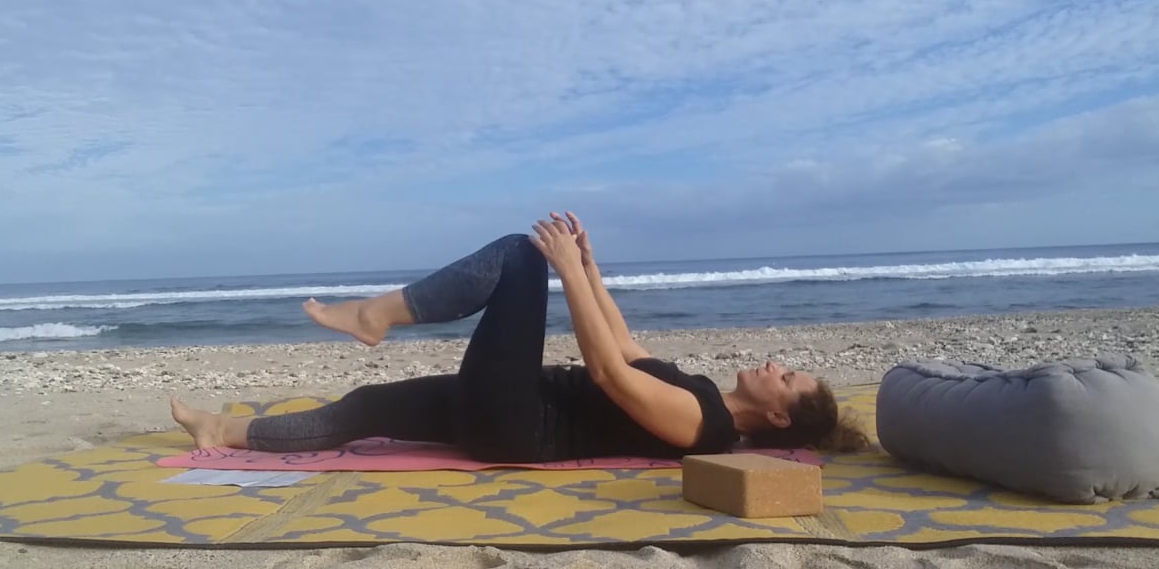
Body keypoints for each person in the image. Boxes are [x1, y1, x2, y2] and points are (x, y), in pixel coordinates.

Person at [171, 212, 868, 461]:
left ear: (778, 414)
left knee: (521, 254)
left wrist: (561, 270)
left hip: (520, 422)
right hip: (509, 408)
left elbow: (609, 377)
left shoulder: (709, 427)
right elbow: (625, 346)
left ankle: (374, 316)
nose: (777, 365)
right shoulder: (703, 396)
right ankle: (225, 434)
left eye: (789, 377)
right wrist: (591, 268)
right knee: (367, 405)